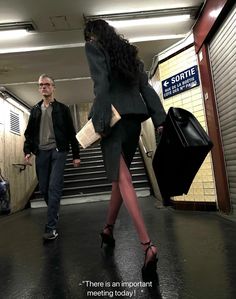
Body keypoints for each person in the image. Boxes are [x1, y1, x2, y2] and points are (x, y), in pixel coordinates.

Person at [84, 19, 166, 281]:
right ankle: (107, 230)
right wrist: (160, 119)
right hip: (133, 122)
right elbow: (145, 88)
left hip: (114, 120)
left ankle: (147, 246)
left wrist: (99, 124)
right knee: (120, 180)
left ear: (92, 35)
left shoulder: (94, 47)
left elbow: (101, 87)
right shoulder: (128, 53)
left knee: (124, 179)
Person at [23, 74, 80, 241]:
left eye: (47, 84)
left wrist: (76, 155)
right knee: (44, 188)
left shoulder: (62, 109)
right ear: (38, 88)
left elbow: (71, 133)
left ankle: (51, 227)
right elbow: (29, 134)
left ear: (53, 87)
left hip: (58, 151)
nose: (44, 87)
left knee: (54, 186)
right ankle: (54, 211)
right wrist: (27, 151)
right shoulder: (34, 110)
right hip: (41, 152)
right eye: (41, 85)